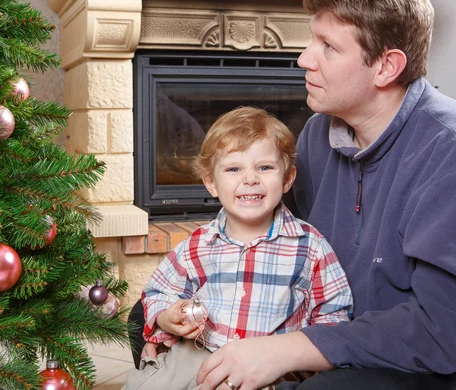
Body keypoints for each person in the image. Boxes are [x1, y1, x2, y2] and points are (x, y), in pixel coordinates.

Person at [190, 0, 456, 389]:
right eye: (312, 39)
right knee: (144, 318)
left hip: (448, 368)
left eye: (328, 47)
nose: (304, 58)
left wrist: (290, 349)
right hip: (344, 336)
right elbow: (281, 240)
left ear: (386, 67)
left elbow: (444, 330)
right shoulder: (319, 134)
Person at [124, 106, 353, 390]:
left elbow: (334, 317)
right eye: (234, 169)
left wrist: (301, 361)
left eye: (264, 167)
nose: (250, 179)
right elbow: (158, 292)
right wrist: (168, 318)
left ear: (287, 178)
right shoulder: (199, 244)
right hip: (197, 352)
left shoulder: (310, 247)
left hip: (266, 367)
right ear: (211, 183)